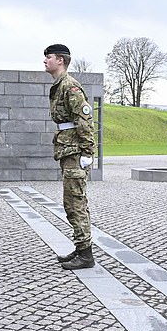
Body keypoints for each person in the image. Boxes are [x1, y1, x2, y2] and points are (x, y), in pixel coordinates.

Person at [44, 44, 96, 270]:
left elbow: (84, 120)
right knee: (71, 202)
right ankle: (80, 247)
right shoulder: (60, 85)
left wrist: (87, 152)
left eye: (49, 57)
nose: (45, 61)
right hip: (68, 150)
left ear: (61, 61)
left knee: (75, 202)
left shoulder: (70, 86)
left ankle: (86, 254)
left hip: (75, 151)